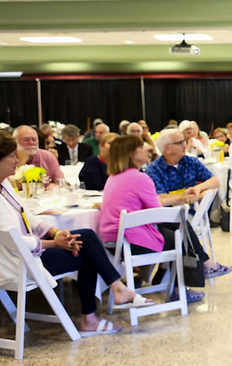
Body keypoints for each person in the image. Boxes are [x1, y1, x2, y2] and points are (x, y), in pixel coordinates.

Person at [0, 132, 152, 336]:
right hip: (17, 264)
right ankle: (97, 310)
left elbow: (28, 217)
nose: (17, 160)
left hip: (26, 255)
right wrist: (55, 244)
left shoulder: (5, 185)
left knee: (85, 238)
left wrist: (56, 232)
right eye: (11, 155)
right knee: (86, 251)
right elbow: (18, 242)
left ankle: (115, 292)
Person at [100, 135, 232, 304]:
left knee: (177, 229)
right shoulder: (140, 177)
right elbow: (158, 213)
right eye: (142, 147)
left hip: (115, 241)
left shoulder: (115, 177)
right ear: (132, 154)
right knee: (180, 234)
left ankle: (200, 270)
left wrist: (180, 200)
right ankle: (189, 281)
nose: (148, 149)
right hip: (130, 242)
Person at [145, 129, 232, 279]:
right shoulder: (154, 169)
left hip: (191, 212)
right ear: (167, 148)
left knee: (181, 223)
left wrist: (198, 189)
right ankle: (201, 265)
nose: (185, 145)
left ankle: (172, 271)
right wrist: (183, 197)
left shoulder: (190, 161)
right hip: (165, 216)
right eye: (180, 142)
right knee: (175, 224)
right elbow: (159, 198)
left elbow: (215, 181)